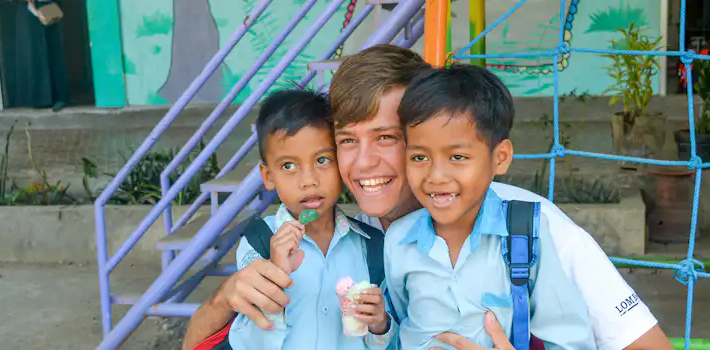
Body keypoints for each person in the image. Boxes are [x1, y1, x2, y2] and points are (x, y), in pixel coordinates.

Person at [183, 45, 673, 350]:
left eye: (388, 138)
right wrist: (224, 299)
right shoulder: (346, 234)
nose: (363, 164)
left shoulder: (533, 228)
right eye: (348, 141)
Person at [383, 63, 597, 349]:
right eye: (420, 158)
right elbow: (399, 325)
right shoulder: (398, 241)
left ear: (501, 157)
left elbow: (571, 341)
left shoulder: (526, 232)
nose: (436, 176)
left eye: (457, 157)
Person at [223, 88, 396, 349]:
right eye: (288, 166)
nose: (309, 180)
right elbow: (248, 342)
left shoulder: (372, 245)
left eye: (323, 160)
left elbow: (381, 343)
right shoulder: (258, 242)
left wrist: (380, 324)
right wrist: (276, 273)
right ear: (268, 176)